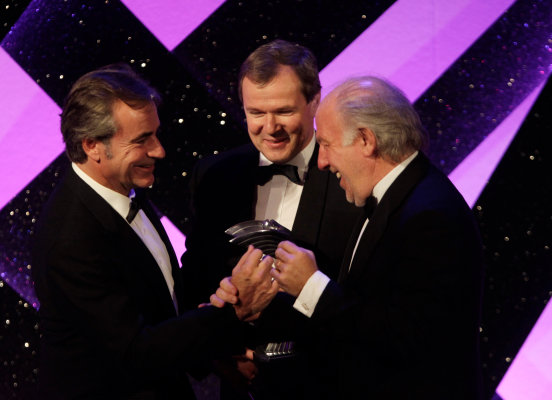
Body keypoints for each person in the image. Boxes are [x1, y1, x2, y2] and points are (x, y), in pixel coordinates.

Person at [215, 76, 485, 399]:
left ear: (366, 141)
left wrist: (312, 285)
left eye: (327, 145)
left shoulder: (431, 215)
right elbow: (360, 313)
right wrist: (264, 311)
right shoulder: (388, 197)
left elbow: (407, 338)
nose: (322, 161)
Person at [32, 64, 278, 400]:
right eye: (141, 140)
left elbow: (164, 307)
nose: (159, 150)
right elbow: (136, 352)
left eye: (155, 134)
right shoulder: (71, 237)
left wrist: (214, 353)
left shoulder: (126, 188)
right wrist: (234, 313)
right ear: (92, 146)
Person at [180, 40, 361, 398]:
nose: (270, 127)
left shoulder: (351, 178)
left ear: (315, 101)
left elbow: (367, 300)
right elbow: (194, 283)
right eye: (256, 112)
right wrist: (219, 346)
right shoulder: (215, 176)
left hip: (326, 385)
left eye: (283, 111)